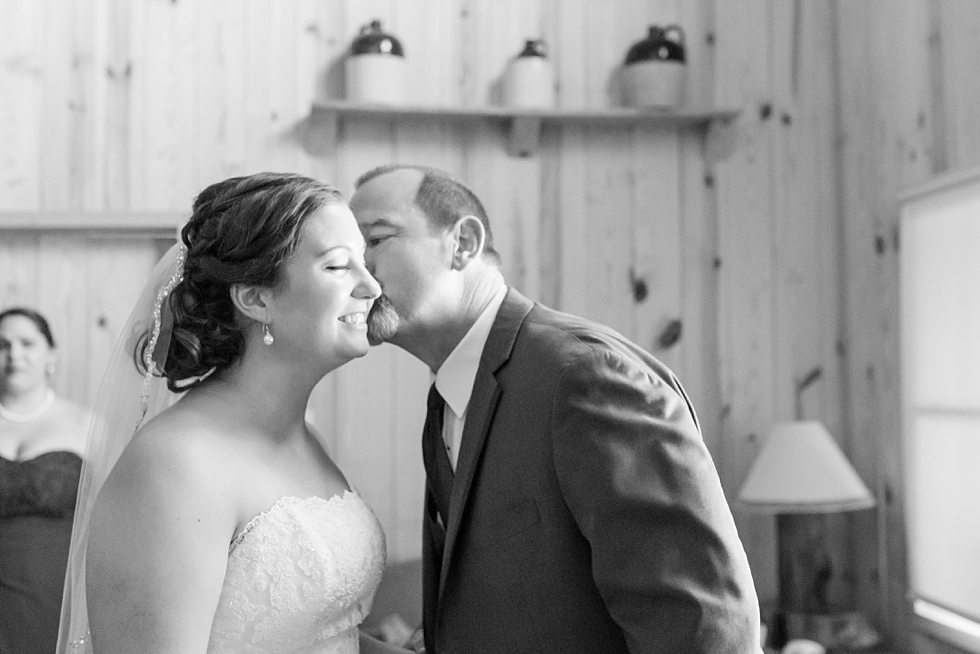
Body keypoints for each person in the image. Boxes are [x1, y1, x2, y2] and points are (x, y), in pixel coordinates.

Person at [349, 164, 765, 654]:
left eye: (375, 240)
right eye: (348, 255)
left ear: (462, 243)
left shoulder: (586, 376)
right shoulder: (448, 402)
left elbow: (701, 626)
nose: (358, 271)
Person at [56, 172, 408, 654]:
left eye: (364, 264)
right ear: (256, 298)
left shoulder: (306, 437)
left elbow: (318, 631)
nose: (370, 286)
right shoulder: (175, 464)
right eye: (337, 267)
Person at [0, 308, 90, 654]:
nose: (15, 354)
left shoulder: (84, 425)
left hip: (54, 591)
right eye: (3, 344)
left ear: (50, 354)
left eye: (26, 343)